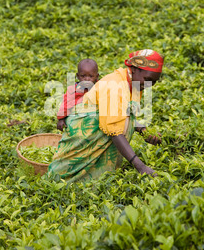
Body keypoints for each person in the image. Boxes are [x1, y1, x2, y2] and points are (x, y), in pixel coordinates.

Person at [47, 49, 163, 184]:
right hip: (84, 130)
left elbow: (127, 114)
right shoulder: (115, 87)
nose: (149, 85)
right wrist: (141, 167)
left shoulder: (135, 84)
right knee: (64, 179)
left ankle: (99, 172)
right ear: (135, 70)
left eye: (153, 82)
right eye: (148, 79)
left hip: (103, 127)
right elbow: (115, 131)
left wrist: (144, 131)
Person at [56, 58, 99, 131]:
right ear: (78, 76)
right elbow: (65, 104)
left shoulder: (99, 88)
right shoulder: (73, 90)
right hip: (77, 120)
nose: (87, 79)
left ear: (97, 76)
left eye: (91, 76)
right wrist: (61, 119)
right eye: (83, 76)